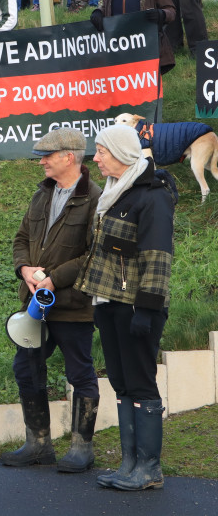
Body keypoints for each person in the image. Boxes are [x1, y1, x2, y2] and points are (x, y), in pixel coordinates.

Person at [79, 124, 175, 491]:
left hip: (136, 307)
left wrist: (147, 310)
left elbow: (157, 258)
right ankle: (129, 463)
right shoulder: (114, 194)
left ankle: (150, 468)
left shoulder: (152, 197)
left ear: (120, 153)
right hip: (108, 303)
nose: (97, 158)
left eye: (101, 152)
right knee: (121, 383)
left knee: (140, 383)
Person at [1, 129, 102, 472]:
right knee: (25, 368)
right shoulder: (41, 195)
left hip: (73, 306)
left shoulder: (96, 199)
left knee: (80, 372)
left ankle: (82, 448)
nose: (41, 160)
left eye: (47, 155)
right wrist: (25, 268)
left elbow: (93, 256)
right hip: (34, 308)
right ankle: (38, 444)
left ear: (69, 157)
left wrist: (52, 279)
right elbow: (20, 238)